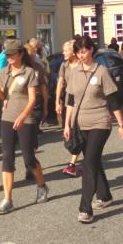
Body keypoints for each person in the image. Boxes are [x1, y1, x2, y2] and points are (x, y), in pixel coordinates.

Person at [64, 36, 123, 223]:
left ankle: (85, 208)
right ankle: (105, 194)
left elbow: (113, 100)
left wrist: (121, 125)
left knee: (89, 161)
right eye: (78, 52)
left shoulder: (102, 72)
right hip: (79, 123)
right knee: (93, 161)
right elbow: (70, 101)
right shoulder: (73, 72)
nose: (81, 55)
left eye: (84, 51)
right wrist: (67, 124)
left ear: (91, 50)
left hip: (100, 122)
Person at [0, 39, 49, 215]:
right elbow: (3, 97)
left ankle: (42, 185)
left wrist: (23, 116)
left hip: (27, 118)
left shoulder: (30, 72)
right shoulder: (2, 73)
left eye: (11, 54)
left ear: (20, 54)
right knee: (7, 157)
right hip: (7, 117)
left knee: (28, 158)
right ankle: (7, 199)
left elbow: (32, 99)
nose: (8, 57)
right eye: (6, 54)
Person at [55, 40, 80, 177]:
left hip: (81, 102)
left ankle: (72, 164)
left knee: (76, 132)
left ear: (73, 51)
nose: (63, 53)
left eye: (66, 50)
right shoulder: (64, 66)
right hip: (68, 102)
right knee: (69, 133)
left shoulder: (81, 65)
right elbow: (60, 83)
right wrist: (57, 101)